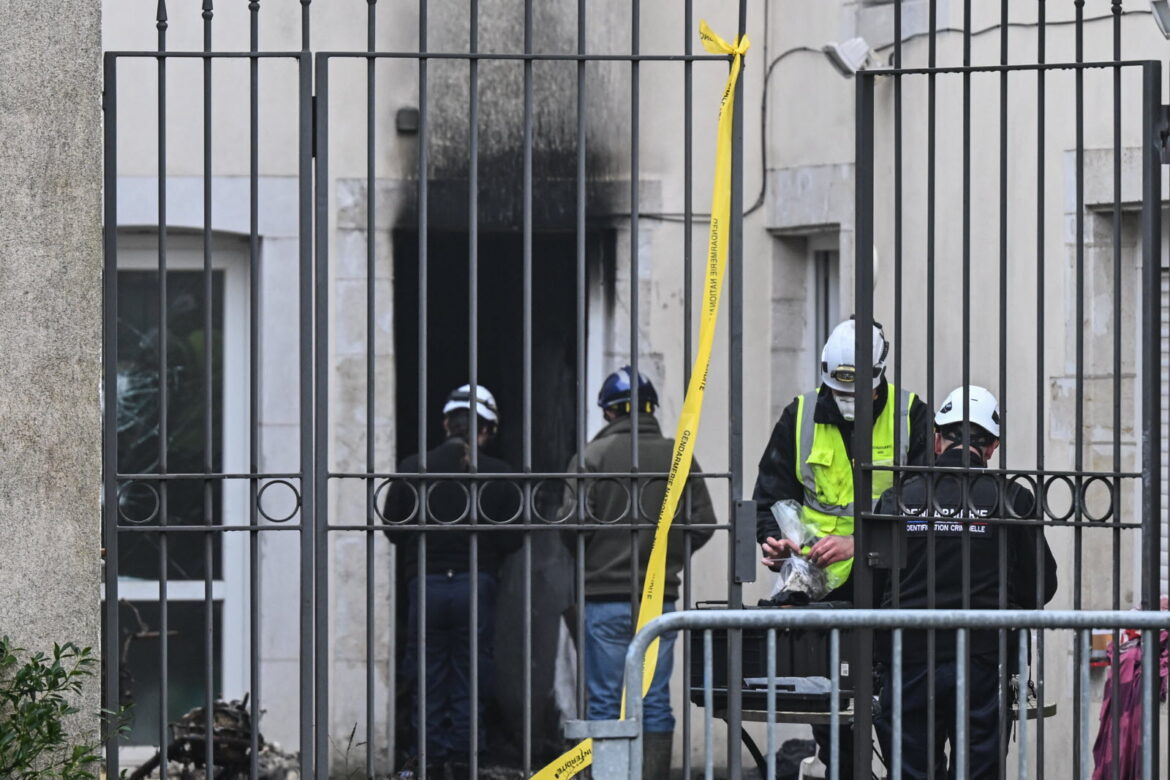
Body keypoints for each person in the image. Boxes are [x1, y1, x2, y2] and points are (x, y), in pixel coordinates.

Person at [752, 317, 931, 775]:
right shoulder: (800, 415)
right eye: (840, 392)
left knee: (901, 724)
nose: (848, 403)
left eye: (858, 393)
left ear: (880, 375)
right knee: (835, 724)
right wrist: (773, 542)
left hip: (896, 592)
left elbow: (928, 508)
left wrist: (858, 541)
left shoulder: (911, 416)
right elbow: (769, 497)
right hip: (822, 595)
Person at [873, 385, 1058, 780]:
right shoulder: (1012, 500)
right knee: (979, 772)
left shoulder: (899, 499)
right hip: (983, 659)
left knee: (911, 771)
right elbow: (1041, 585)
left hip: (908, 657)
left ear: (937, 440)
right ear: (992, 446)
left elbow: (871, 587)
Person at [560, 366, 716, 780]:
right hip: (659, 602)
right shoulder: (677, 454)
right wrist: (665, 558)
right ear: (650, 410)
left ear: (609, 414)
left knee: (606, 703)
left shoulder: (591, 457)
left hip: (603, 601)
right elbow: (703, 522)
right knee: (654, 701)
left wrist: (598, 558)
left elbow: (572, 527)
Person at [383, 384, 522, 779]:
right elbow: (514, 536)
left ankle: (424, 758)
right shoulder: (500, 474)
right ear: (488, 430)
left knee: (426, 670)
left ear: (446, 423)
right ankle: (464, 760)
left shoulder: (414, 467)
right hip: (475, 583)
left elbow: (393, 528)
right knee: (472, 670)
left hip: (425, 582)